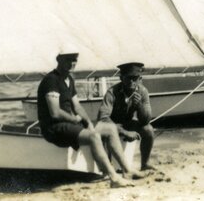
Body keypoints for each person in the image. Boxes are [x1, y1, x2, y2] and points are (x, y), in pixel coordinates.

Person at [36, 48, 138, 187]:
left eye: (74, 59)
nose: (72, 63)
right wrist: (75, 120)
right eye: (68, 59)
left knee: (110, 129)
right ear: (58, 59)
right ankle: (113, 177)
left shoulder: (68, 79)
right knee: (93, 137)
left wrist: (89, 123)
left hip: (69, 125)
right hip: (54, 128)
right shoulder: (51, 80)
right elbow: (55, 113)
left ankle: (127, 171)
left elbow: (77, 106)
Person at [97, 62, 155, 172]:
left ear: (140, 79)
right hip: (111, 124)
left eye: (135, 78)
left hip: (126, 123)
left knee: (149, 130)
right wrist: (124, 132)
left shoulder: (143, 91)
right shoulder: (112, 92)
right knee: (104, 130)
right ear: (121, 78)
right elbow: (103, 118)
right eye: (128, 78)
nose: (132, 82)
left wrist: (140, 106)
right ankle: (107, 168)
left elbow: (146, 120)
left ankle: (145, 164)